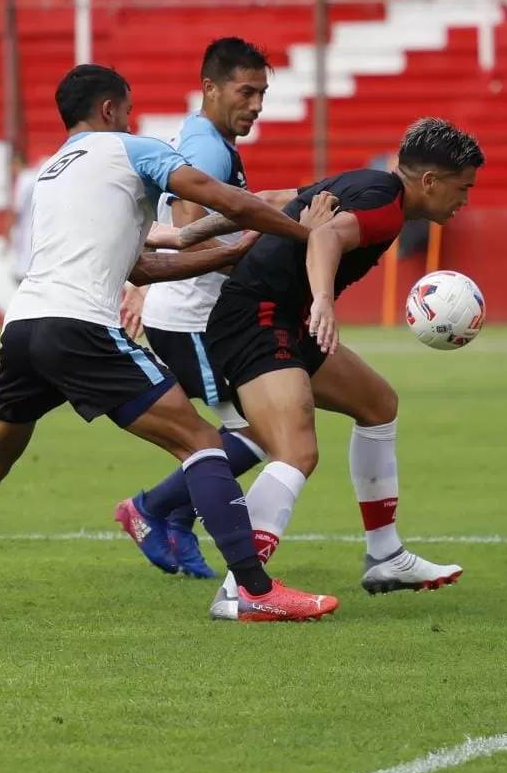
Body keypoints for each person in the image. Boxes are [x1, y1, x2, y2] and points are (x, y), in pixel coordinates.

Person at [0, 63, 340, 623]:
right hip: (81, 328)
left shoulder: (51, 174)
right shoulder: (131, 150)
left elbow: (139, 268)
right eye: (129, 110)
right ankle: (256, 592)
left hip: (23, 328)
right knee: (204, 444)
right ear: (111, 110)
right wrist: (307, 231)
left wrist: (231, 256)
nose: (133, 119)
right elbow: (226, 201)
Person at [129, 118, 485, 618]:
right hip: (258, 315)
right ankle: (241, 590)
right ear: (429, 182)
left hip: (282, 314)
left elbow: (272, 201)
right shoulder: (383, 206)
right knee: (294, 450)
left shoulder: (366, 185)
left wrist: (187, 237)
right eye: (462, 187)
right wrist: (323, 301)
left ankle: (385, 555)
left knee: (378, 404)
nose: (465, 199)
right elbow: (324, 240)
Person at [115, 38, 298, 579]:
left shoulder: (207, 138)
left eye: (263, 92)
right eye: (247, 91)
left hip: (196, 313)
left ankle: (169, 516)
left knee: (262, 430)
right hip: (195, 319)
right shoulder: (208, 148)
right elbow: (193, 233)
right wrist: (259, 264)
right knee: (261, 433)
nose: (257, 105)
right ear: (211, 88)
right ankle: (153, 509)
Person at [6, 152, 49, 285]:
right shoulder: (34, 176)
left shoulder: (23, 179)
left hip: (26, 233)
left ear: (16, 164)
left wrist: (6, 230)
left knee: (23, 273)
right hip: (39, 231)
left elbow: (16, 209)